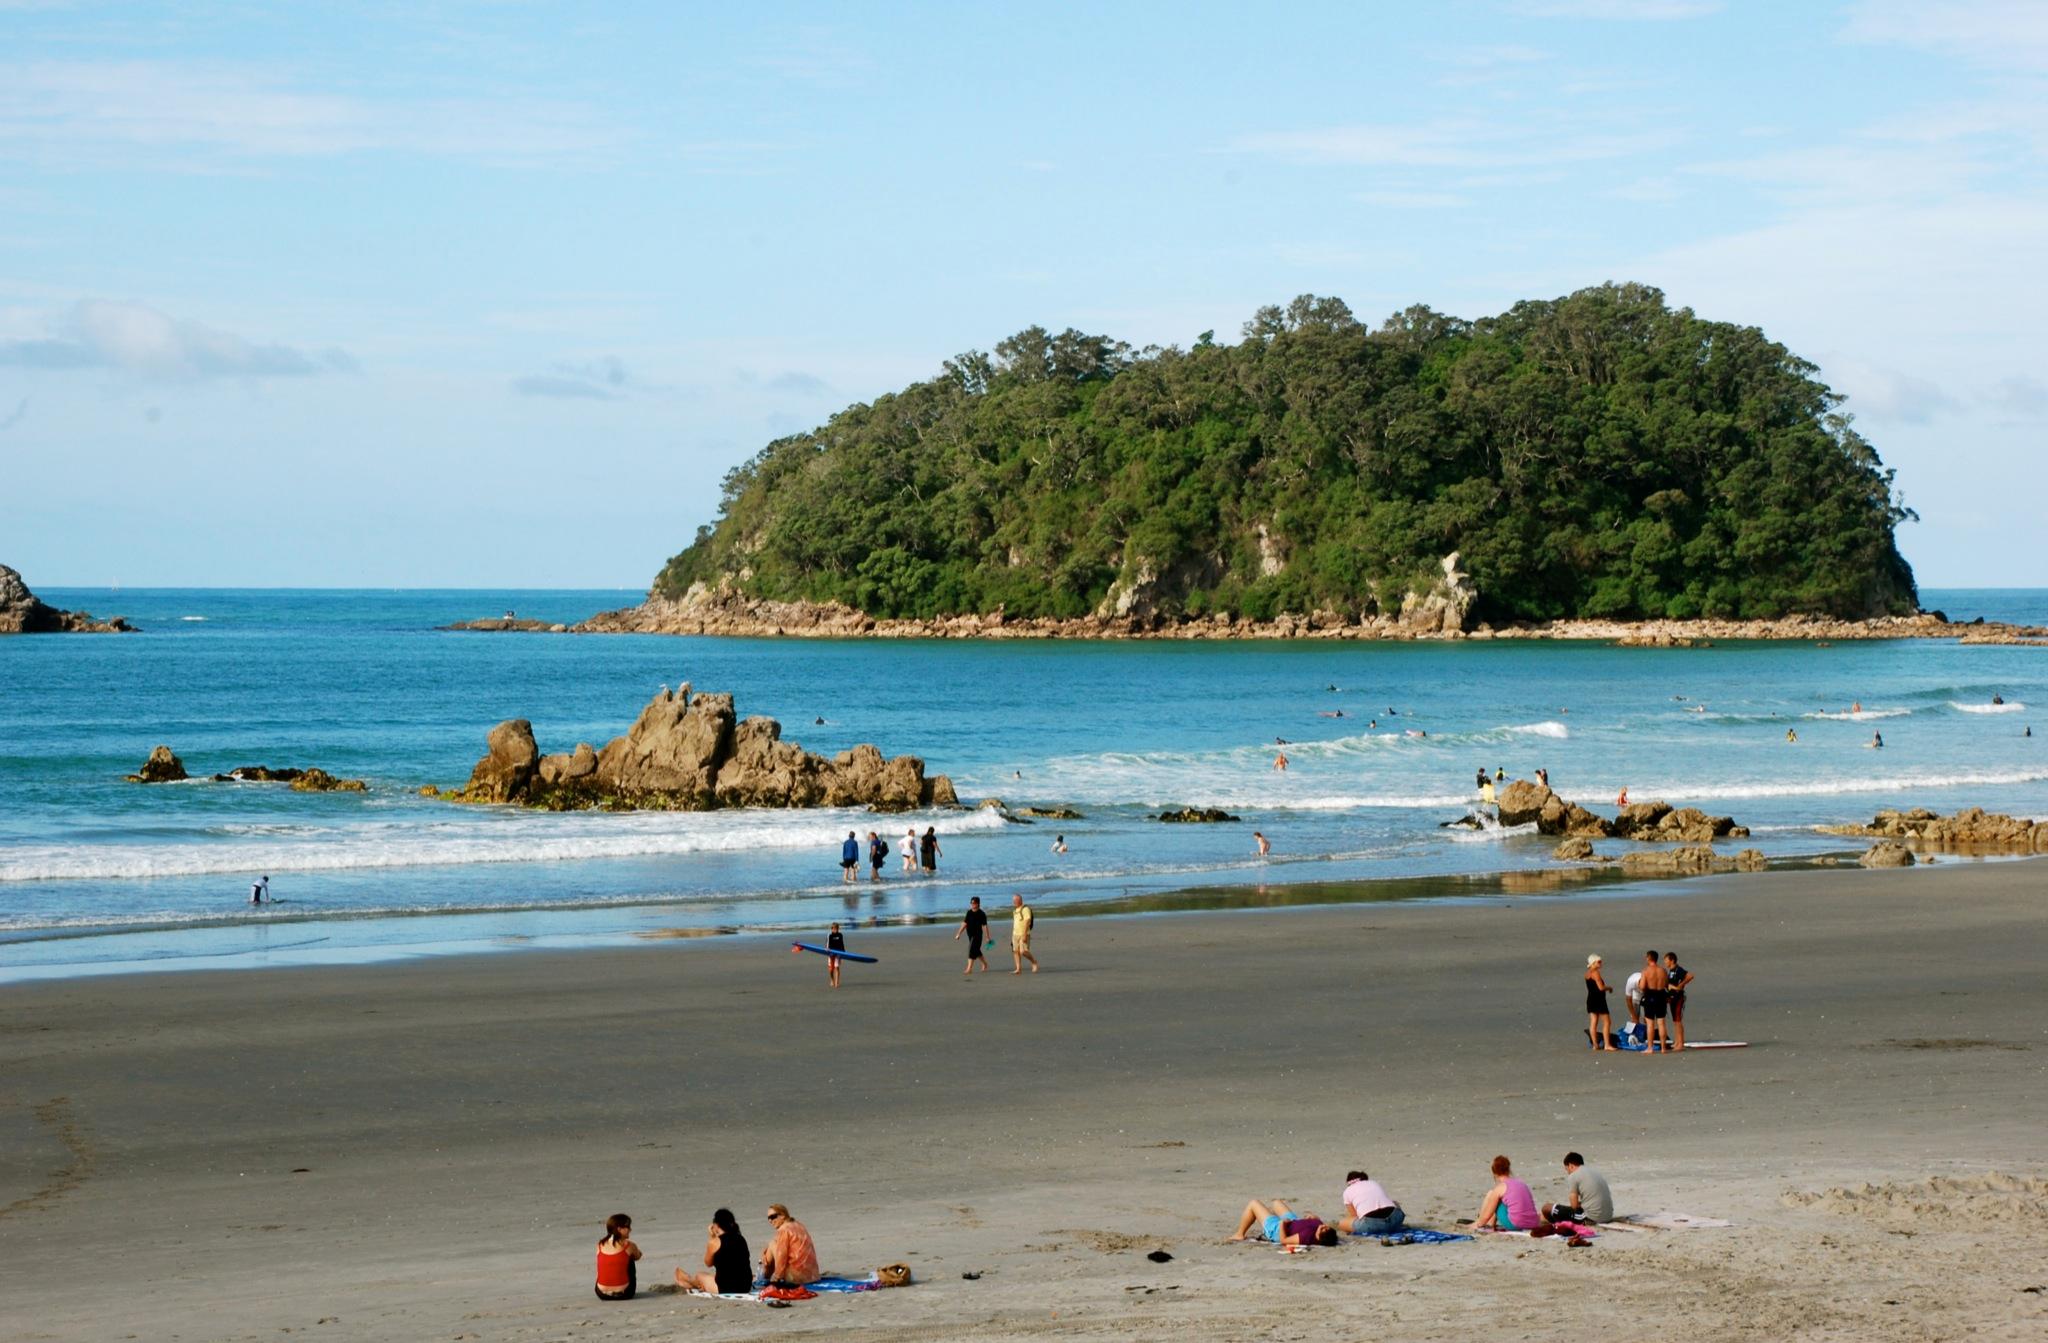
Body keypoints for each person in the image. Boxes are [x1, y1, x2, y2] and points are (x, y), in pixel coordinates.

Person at [676, 1208, 751, 1296]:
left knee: (699, 1275)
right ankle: (693, 1282)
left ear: (716, 1225)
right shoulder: (741, 1238)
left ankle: (689, 1281)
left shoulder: (714, 1242)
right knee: (715, 1276)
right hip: (745, 1286)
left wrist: (711, 1237)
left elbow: (708, 1263)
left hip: (727, 1288)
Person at [1470, 1156, 1546, 1232]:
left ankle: (1488, 1224)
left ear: (1494, 1173)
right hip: (1533, 1223)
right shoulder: (1522, 1184)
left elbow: (1486, 1216)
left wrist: (1478, 1224)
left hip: (1516, 1225)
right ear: (1508, 1170)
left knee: (1491, 1194)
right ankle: (1489, 1223)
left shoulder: (1500, 1188)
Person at [1229, 1198, 1339, 1247]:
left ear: (1319, 1236)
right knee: (1276, 1203)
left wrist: (1282, 1224)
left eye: (1323, 1229)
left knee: (1253, 1203)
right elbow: (1318, 1222)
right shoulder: (1319, 1228)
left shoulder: (1306, 1237)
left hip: (1277, 1229)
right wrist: (1314, 1218)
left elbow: (1284, 1240)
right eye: (1326, 1227)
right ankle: (1266, 1216)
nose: (1324, 1226)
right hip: (1293, 1221)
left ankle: (1239, 1234)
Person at [759, 1204, 819, 1287]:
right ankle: (764, 1276)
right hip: (812, 1276)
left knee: (772, 1244)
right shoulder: (799, 1225)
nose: (770, 1221)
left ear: (783, 1215)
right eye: (768, 1218)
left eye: (773, 1217)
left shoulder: (784, 1229)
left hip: (796, 1278)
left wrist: (778, 1277)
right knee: (772, 1244)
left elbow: (781, 1255)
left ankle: (764, 1278)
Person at [1545, 1153, 1615, 1225]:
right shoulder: (1594, 1172)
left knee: (1547, 1208)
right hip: (1608, 1215)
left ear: (1571, 1165)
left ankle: (1552, 1222)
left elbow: (1574, 1206)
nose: (1568, 1172)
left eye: (1567, 1169)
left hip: (1593, 1217)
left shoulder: (1574, 1175)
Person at [1338, 1170, 1406, 1235]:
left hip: (1371, 1225)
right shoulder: (1373, 1183)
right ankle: (1391, 1226)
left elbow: (1354, 1216)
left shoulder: (1347, 1191)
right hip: (1395, 1219)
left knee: (1342, 1223)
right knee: (1394, 1202)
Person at [594, 1212, 642, 1300]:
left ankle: (607, 1286)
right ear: (619, 1229)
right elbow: (638, 1256)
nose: (630, 1229)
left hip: (601, 1294)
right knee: (630, 1260)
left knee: (608, 1262)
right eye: (628, 1227)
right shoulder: (629, 1245)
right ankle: (619, 1287)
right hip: (625, 1294)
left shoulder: (600, 1245)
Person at [1639, 950, 1671, 1053]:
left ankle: (1650, 1047)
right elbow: (1666, 984)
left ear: (1648, 958)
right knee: (1661, 1023)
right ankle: (1663, 1048)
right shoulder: (1663, 970)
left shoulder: (1646, 971)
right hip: (1661, 996)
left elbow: (1642, 986)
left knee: (1650, 1024)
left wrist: (1640, 985)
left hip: (1650, 996)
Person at [1663, 951, 1693, 1050]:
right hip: (1672, 998)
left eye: (1666, 960)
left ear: (1672, 960)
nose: (1665, 963)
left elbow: (1690, 976)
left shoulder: (1678, 969)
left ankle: (1681, 1044)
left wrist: (1680, 986)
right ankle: (1677, 1042)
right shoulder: (1670, 971)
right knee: (1675, 1021)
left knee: (1678, 1020)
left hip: (1679, 998)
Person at [1584, 954, 1613, 1051]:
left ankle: (1595, 1045)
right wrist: (1609, 988)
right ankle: (1607, 1045)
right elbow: (1601, 988)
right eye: (1599, 962)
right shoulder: (1595, 973)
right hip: (1599, 1000)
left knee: (1593, 1022)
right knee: (1607, 1022)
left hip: (1590, 999)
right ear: (1593, 963)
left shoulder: (1587, 973)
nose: (1601, 963)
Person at [955, 897, 989, 975]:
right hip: (970, 935)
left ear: (977, 904)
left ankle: (969, 968)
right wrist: (959, 933)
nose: (972, 904)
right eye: (971, 903)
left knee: (971, 950)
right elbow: (964, 923)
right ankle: (985, 963)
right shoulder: (969, 912)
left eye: (973, 903)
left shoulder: (982, 914)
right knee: (976, 951)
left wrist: (987, 937)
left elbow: (984, 926)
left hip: (977, 935)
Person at [1010, 893, 1039, 974]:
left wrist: (1024, 934)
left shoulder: (1025, 909)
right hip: (1015, 934)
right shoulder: (1015, 910)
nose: (1014, 902)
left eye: (1016, 900)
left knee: (1023, 951)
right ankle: (1018, 969)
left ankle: (1034, 962)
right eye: (1013, 900)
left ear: (1020, 900)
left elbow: (1027, 921)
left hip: (1023, 933)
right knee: (1015, 951)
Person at [825, 921, 846, 989]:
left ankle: (836, 982)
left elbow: (842, 944)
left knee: (836, 967)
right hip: (831, 953)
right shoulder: (829, 935)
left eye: (836, 928)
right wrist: (827, 949)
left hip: (838, 953)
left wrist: (843, 953)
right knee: (831, 969)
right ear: (831, 929)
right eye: (834, 928)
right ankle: (832, 980)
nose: (835, 930)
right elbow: (827, 946)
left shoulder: (840, 935)